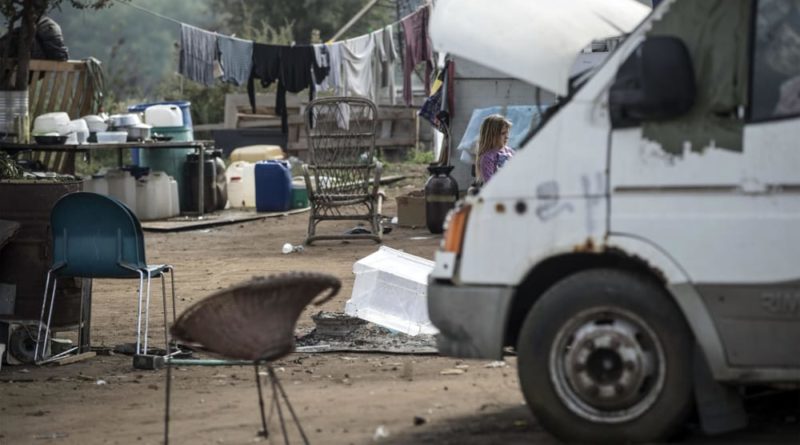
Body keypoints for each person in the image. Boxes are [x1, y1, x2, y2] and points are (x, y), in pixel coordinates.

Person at [475, 114, 514, 184]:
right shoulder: (488, 158)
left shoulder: (509, 151)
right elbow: (490, 184)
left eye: (507, 133)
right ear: (492, 135)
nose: (507, 137)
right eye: (503, 133)